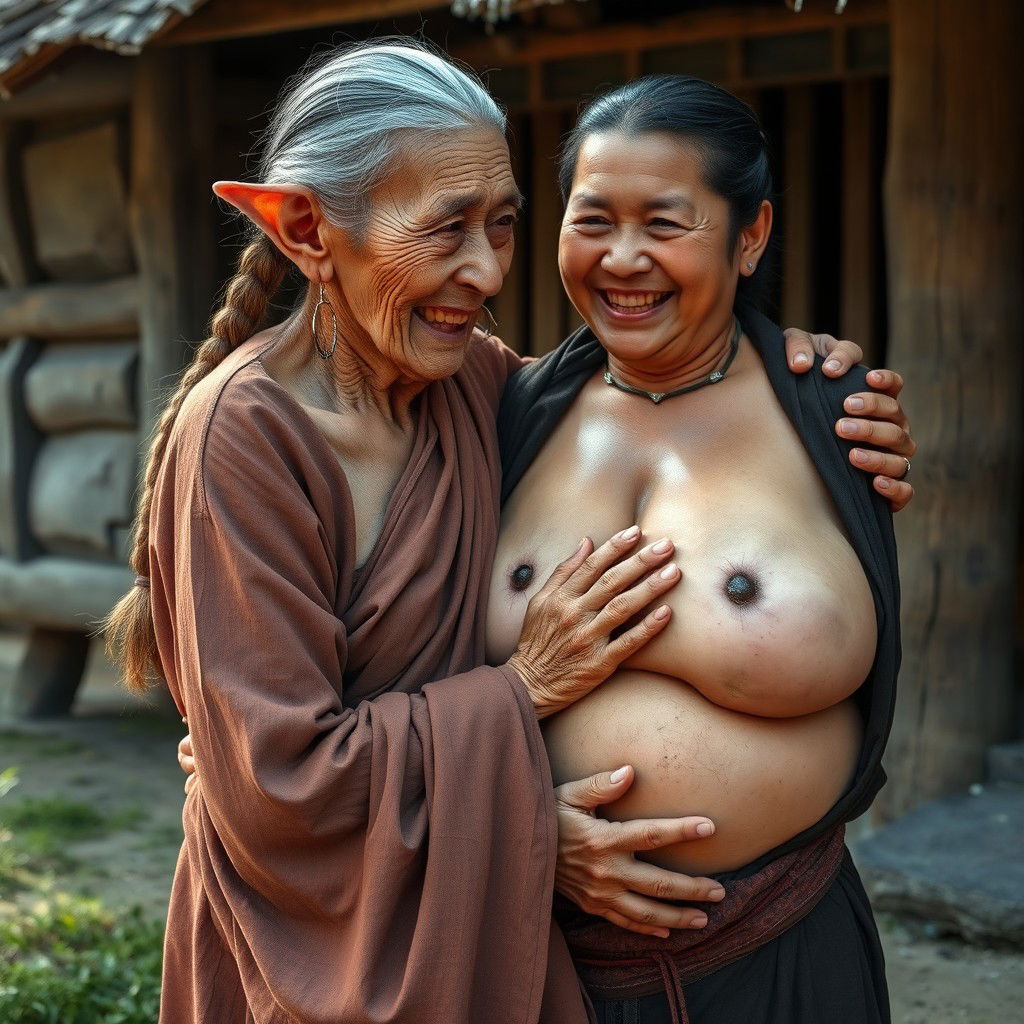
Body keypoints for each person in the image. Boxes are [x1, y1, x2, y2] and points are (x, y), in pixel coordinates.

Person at [143, 41, 913, 1023]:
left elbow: (663, 375)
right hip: (374, 957)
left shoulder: (483, 390)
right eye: (446, 229)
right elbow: (278, 779)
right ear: (305, 228)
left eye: (503, 226)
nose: (483, 269)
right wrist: (525, 778)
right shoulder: (246, 439)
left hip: (776, 948)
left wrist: (803, 368)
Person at [491, 75, 903, 1022]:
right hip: (550, 967)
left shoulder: (830, 415)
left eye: (665, 224)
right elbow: (396, 665)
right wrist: (514, 826)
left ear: (748, 235)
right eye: (592, 220)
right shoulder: (501, 417)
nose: (622, 258)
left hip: (782, 962)